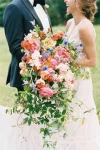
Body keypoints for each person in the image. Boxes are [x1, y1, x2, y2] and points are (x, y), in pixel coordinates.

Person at [0, 0, 100, 150]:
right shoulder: (69, 23)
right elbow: (16, 47)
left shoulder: (84, 27)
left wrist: (60, 60)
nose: (65, 0)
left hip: (70, 79)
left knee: (72, 119)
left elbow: (92, 61)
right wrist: (51, 62)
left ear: (79, 3)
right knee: (33, 122)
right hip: (37, 76)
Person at [3, 0, 51, 91]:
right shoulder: (14, 7)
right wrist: (38, 67)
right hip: (28, 77)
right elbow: (15, 47)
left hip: (49, 74)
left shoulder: (42, 6)